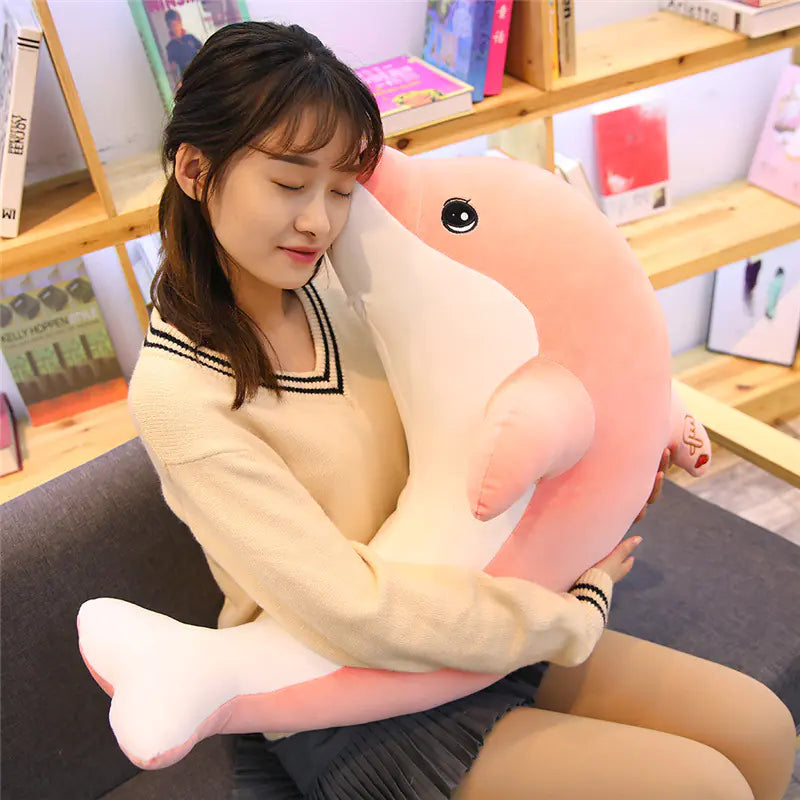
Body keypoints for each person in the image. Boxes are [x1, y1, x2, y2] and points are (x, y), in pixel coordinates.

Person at [128, 20, 797, 800]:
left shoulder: (343, 284)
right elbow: (345, 609)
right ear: (195, 169)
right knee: (703, 786)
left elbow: (504, 366)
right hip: (342, 688)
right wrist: (568, 613)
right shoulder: (179, 394)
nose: (318, 220)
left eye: (340, 190)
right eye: (288, 184)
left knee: (760, 726)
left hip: (472, 613)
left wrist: (630, 436)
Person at [164, 9, 203, 87]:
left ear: (180, 23)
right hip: (188, 77)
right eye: (173, 25)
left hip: (200, 69)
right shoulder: (171, 47)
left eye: (177, 24)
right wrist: (179, 82)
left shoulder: (190, 38)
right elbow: (173, 68)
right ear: (169, 27)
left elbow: (203, 49)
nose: (175, 27)